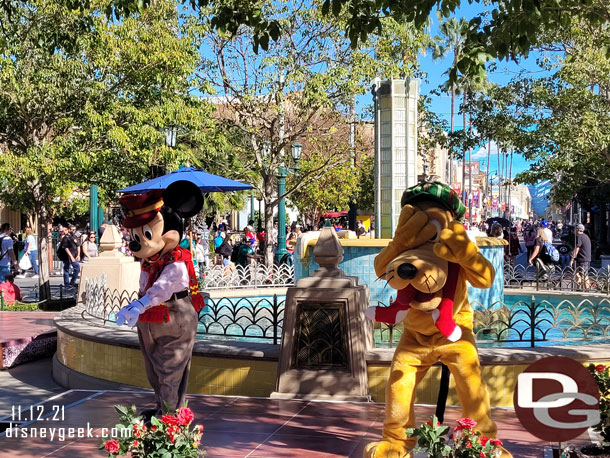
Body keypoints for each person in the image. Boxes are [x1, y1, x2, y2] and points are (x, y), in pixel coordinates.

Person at [570, 223, 591, 289]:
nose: (573, 230)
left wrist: (572, 259)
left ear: (577, 230)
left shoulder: (579, 237)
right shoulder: (585, 236)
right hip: (585, 258)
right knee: (581, 273)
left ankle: (586, 289)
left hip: (582, 258)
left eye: (574, 229)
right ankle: (581, 287)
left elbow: (577, 248)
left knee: (584, 274)